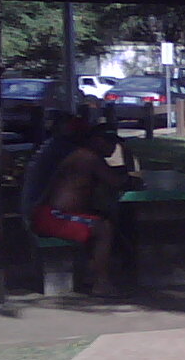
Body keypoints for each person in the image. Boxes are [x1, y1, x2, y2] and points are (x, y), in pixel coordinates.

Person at [29, 123, 133, 296]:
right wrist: (128, 157)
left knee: (101, 219)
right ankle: (101, 283)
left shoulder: (84, 157)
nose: (113, 148)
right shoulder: (88, 158)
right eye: (109, 142)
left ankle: (90, 274)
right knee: (103, 228)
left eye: (116, 143)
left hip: (56, 215)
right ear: (96, 141)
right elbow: (117, 181)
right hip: (53, 217)